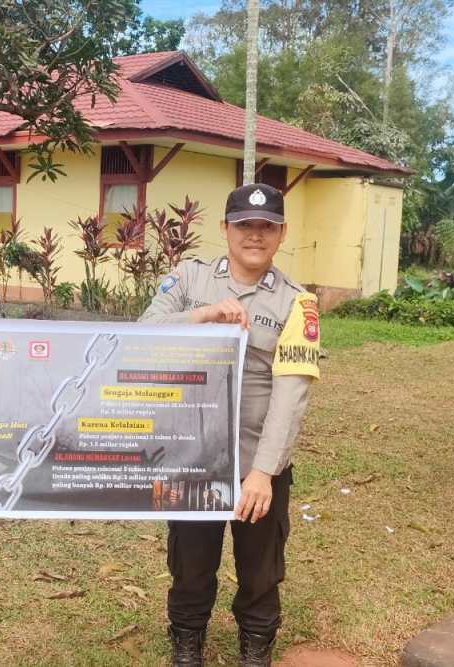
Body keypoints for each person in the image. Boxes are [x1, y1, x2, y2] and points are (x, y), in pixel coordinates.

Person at [139, 184, 321, 667]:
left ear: (281, 233)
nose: (255, 235)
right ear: (225, 229)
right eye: (244, 225)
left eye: (266, 227)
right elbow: (142, 333)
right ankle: (187, 641)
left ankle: (256, 644)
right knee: (190, 561)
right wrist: (203, 315)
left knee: (260, 568)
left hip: (255, 459)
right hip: (192, 454)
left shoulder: (297, 303)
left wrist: (263, 473)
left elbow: (290, 395)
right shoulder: (190, 278)